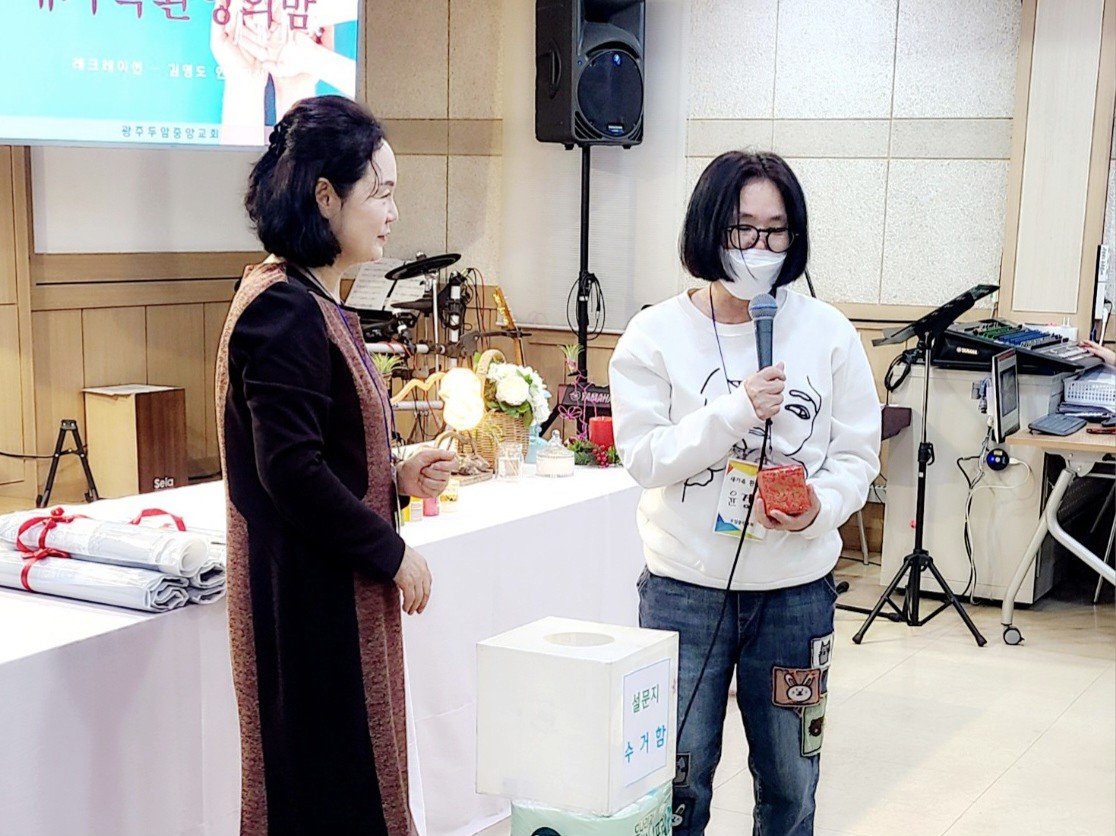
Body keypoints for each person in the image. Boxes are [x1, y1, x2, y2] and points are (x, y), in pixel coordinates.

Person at [609, 151, 881, 835]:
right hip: (684, 591)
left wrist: (819, 507)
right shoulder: (654, 335)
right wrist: (734, 411)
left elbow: (856, 455)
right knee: (676, 784)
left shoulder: (828, 331)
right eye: (742, 228)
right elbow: (644, 457)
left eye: (775, 230)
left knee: (791, 785)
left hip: (795, 593)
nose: (759, 246)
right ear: (708, 228)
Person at [216, 95, 456, 836]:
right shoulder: (283, 308)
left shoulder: (307, 297)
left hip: (325, 589)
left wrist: (397, 478)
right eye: (379, 193)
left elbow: (320, 451)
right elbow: (290, 471)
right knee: (328, 797)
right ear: (325, 196)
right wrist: (392, 551)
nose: (392, 212)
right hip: (310, 605)